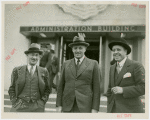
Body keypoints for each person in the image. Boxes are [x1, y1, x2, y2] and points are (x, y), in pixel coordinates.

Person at [56, 33, 101, 113]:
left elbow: (97, 88)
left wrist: (95, 108)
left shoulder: (93, 63)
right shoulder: (66, 64)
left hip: (85, 106)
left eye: (80, 48)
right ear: (72, 49)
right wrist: (59, 105)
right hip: (67, 106)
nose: (77, 50)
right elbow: (60, 86)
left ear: (85, 49)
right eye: (75, 48)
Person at [8, 43, 51, 112]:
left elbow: (47, 89)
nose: (34, 57)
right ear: (27, 55)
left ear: (39, 57)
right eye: (32, 55)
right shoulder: (17, 70)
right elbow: (12, 88)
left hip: (38, 108)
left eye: (36, 55)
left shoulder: (44, 71)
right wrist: (14, 101)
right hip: (19, 106)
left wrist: (42, 102)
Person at [107, 38, 145, 113]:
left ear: (126, 51)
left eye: (118, 50)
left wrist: (123, 90)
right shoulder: (112, 67)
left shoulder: (136, 65)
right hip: (113, 110)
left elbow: (143, 87)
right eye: (114, 50)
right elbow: (110, 89)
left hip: (130, 110)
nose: (115, 52)